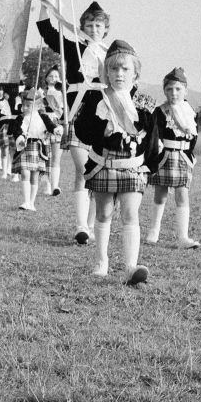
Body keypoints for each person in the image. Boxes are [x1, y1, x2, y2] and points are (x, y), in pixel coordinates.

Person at [74, 39, 160, 284]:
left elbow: (152, 138)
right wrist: (102, 132)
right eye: (113, 68)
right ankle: (102, 262)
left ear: (135, 73)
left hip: (133, 167)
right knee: (104, 213)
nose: (119, 74)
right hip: (103, 164)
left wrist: (149, 166)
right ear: (106, 71)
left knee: (131, 214)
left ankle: (131, 268)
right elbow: (83, 132)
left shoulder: (144, 102)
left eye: (125, 69)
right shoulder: (94, 99)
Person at [37, 0, 111, 244]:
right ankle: (80, 225)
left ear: (105, 28)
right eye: (89, 24)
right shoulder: (73, 48)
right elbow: (46, 30)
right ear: (82, 26)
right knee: (83, 170)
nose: (93, 29)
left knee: (98, 174)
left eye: (98, 25)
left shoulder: (113, 54)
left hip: (104, 116)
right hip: (78, 115)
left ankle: (91, 225)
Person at [146, 67, 199, 248]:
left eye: (178, 89)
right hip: (164, 156)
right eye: (169, 89)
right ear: (164, 91)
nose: (173, 93)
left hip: (183, 156)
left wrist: (191, 155)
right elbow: (153, 136)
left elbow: (194, 136)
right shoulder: (160, 111)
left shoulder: (190, 111)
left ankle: (182, 236)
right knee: (160, 194)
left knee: (182, 195)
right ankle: (154, 231)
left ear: (185, 90)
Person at [10, 89, 62, 211]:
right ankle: (26, 201)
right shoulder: (20, 118)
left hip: (38, 148)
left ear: (37, 106)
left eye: (28, 106)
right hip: (25, 147)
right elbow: (15, 130)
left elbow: (51, 126)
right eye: (24, 105)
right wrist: (20, 137)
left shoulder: (43, 117)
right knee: (25, 172)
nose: (25, 108)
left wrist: (56, 130)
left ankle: (31, 203)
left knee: (34, 175)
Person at [40, 66, 66, 196]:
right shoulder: (41, 93)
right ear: (46, 79)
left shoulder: (63, 94)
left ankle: (55, 186)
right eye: (51, 76)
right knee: (44, 156)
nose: (54, 79)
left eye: (56, 76)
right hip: (44, 124)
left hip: (58, 124)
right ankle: (47, 184)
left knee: (56, 157)